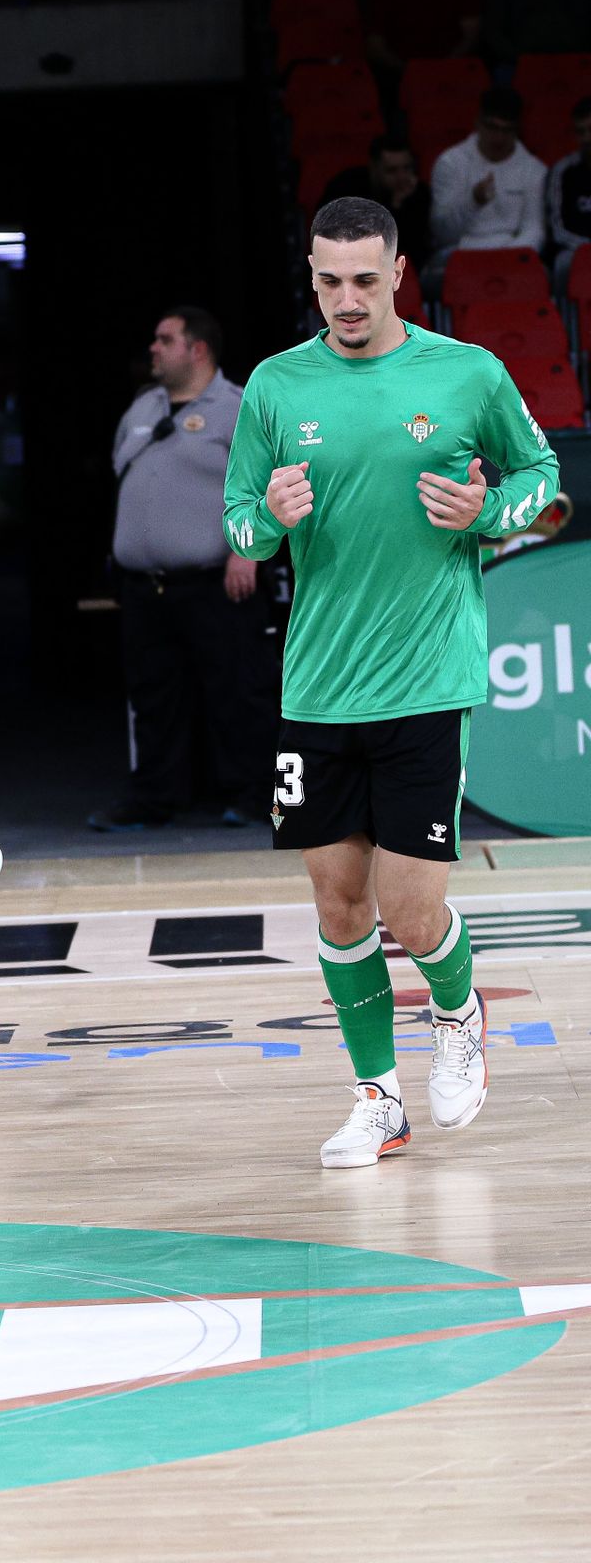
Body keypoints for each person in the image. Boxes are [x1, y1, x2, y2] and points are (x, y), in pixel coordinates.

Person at [223, 195, 560, 1169]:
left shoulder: (465, 374)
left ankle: (457, 1011)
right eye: (327, 280)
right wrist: (268, 516)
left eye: (364, 279)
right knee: (337, 906)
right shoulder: (276, 388)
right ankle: (377, 1099)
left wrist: (487, 509)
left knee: (410, 912)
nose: (346, 298)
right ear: (312, 276)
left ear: (398, 273)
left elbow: (538, 477)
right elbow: (238, 525)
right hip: (316, 688)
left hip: (424, 678)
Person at [92, 307, 271, 831]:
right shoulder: (141, 407)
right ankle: (154, 798)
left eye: (164, 339)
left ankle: (251, 794)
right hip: (146, 586)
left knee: (236, 691)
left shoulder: (238, 408)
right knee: (153, 697)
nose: (153, 347)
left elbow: (267, 487)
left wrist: (249, 552)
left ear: (197, 349)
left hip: (215, 580)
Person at [428, 88, 547, 285]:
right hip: (461, 253)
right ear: (478, 123)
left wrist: (501, 260)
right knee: (435, 273)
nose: (498, 138)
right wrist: (473, 201)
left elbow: (534, 230)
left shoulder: (534, 170)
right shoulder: (451, 162)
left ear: (517, 130)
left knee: (540, 273)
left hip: (513, 256)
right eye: (492, 128)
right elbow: (442, 233)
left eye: (506, 130)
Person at [321, 135, 433, 273]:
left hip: (406, 269)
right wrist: (394, 206)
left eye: (407, 168)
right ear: (374, 169)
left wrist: (399, 204)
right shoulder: (348, 189)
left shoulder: (419, 193)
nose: (401, 177)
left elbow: (414, 247)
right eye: (392, 170)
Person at [366, 0, 481, 79]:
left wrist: (449, 64)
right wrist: (407, 69)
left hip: (453, 70)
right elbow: (375, 44)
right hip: (403, 74)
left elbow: (471, 34)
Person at [546, 96, 591, 292]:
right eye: (581, 132)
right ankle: (567, 322)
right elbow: (557, 229)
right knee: (564, 264)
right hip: (576, 250)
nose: (587, 138)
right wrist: (586, 247)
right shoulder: (563, 171)